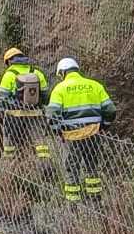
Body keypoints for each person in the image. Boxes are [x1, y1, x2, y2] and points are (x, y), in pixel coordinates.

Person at [49, 56, 116, 203]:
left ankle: (73, 204)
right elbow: (111, 109)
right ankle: (95, 200)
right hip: (93, 134)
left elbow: (52, 114)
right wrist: (103, 126)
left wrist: (57, 131)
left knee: (72, 169)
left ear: (62, 73)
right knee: (92, 167)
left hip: (72, 136)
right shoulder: (95, 85)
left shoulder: (60, 89)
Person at [0, 46, 53, 163]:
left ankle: (10, 168)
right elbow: (46, 96)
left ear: (9, 61)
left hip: (13, 115)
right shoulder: (37, 72)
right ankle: (46, 167)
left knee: (10, 145)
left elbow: (2, 98)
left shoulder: (10, 74)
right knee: (40, 144)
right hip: (35, 114)